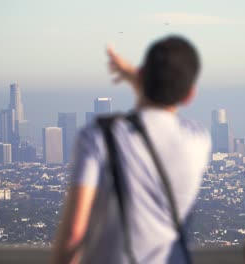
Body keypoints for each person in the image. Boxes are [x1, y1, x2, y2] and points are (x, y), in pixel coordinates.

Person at [52, 36, 211, 264]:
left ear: (143, 75)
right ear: (190, 95)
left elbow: (74, 234)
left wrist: (139, 78)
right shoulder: (198, 139)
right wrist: (139, 79)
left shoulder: (99, 137)